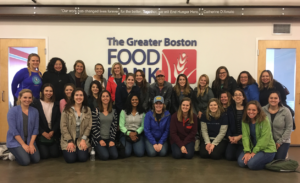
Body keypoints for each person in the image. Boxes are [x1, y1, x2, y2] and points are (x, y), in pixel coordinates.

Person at [238, 101, 276, 170]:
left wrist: (253, 152)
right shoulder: (244, 120)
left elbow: (265, 138)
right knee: (241, 163)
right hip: (253, 147)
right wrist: (247, 151)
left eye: (254, 110)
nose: (251, 112)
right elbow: (245, 137)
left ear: (258, 111)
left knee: (251, 165)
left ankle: (268, 163)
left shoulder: (264, 120)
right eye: (249, 109)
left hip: (266, 149)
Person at [6, 89, 40, 166]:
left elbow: (35, 129)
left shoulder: (35, 111)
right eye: (25, 97)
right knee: (26, 161)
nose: (27, 100)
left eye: (29, 98)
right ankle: (13, 153)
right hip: (16, 141)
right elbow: (13, 130)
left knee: (36, 159)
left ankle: (22, 153)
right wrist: (23, 145)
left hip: (29, 140)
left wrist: (31, 144)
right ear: (20, 98)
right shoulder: (12, 111)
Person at [60, 88, 92, 163]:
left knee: (82, 158)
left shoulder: (87, 110)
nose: (79, 97)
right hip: (68, 139)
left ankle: (79, 150)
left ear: (84, 97)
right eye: (76, 95)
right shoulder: (66, 109)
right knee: (71, 159)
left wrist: (83, 140)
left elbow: (89, 126)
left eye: (81, 95)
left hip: (82, 139)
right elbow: (63, 126)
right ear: (73, 97)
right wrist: (70, 141)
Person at [31, 84, 61, 159]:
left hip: (52, 133)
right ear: (42, 91)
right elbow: (34, 121)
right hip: (41, 134)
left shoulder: (56, 104)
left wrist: (53, 131)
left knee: (55, 154)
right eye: (46, 91)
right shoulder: (36, 104)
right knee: (45, 155)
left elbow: (58, 120)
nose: (48, 93)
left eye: (50, 91)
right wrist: (42, 132)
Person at [262, 91, 293, 160]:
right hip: (268, 140)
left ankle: (284, 152)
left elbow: (289, 128)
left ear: (279, 100)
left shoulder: (286, 111)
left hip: (283, 141)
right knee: (268, 159)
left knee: (278, 160)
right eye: (271, 98)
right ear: (268, 99)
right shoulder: (262, 110)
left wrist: (280, 142)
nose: (273, 100)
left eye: (275, 98)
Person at [91, 90, 118, 160]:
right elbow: (94, 127)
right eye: (103, 96)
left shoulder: (114, 111)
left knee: (114, 156)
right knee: (105, 156)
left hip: (109, 139)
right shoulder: (95, 111)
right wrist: (100, 140)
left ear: (110, 98)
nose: (105, 98)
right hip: (98, 139)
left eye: (107, 96)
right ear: (100, 98)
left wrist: (112, 140)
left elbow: (114, 127)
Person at [225, 89, 247, 161]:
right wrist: (229, 137)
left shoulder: (248, 109)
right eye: (236, 95)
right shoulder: (229, 109)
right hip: (233, 137)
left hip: (245, 136)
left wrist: (240, 137)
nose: (238, 96)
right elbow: (227, 124)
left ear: (243, 97)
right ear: (233, 97)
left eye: (240, 95)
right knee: (229, 157)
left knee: (238, 157)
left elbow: (250, 127)